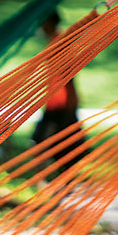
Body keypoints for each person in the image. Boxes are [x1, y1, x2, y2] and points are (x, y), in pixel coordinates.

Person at [31, 11, 83, 157]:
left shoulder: (59, 42)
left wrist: (71, 100)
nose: (41, 26)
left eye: (43, 22)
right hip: (57, 99)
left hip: (61, 101)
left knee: (56, 142)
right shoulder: (55, 40)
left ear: (49, 23)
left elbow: (68, 73)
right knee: (64, 142)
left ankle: (58, 176)